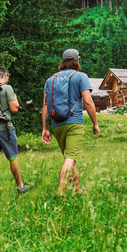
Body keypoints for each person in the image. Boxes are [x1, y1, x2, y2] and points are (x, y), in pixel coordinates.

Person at [41, 48, 100, 195]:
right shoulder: (81, 77)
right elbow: (87, 101)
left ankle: (77, 190)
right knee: (69, 158)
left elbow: (45, 106)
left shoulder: (50, 79)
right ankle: (60, 193)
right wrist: (95, 123)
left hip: (57, 125)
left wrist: (45, 128)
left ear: (63, 62)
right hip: (74, 123)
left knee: (70, 158)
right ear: (76, 61)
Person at [0, 67, 33, 198]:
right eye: (8, 77)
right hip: (5, 129)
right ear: (5, 76)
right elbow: (14, 109)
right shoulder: (7, 87)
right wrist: (14, 98)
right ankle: (20, 187)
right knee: (13, 158)